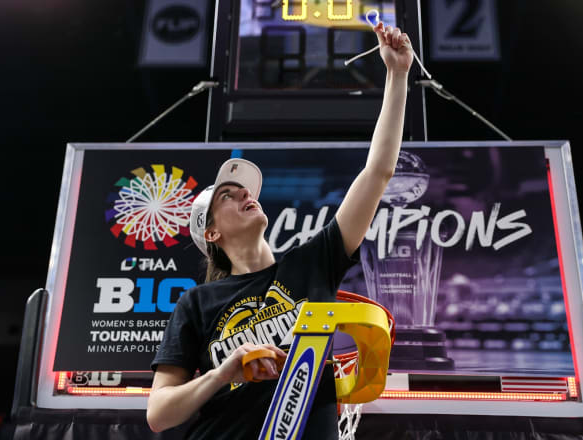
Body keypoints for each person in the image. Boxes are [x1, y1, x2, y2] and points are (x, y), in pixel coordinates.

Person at [147, 21, 414, 439]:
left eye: (245, 191)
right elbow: (159, 414)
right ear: (211, 234)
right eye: (227, 197)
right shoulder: (197, 303)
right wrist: (223, 373)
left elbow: (378, 172)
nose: (243, 196)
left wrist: (397, 75)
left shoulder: (313, 262)